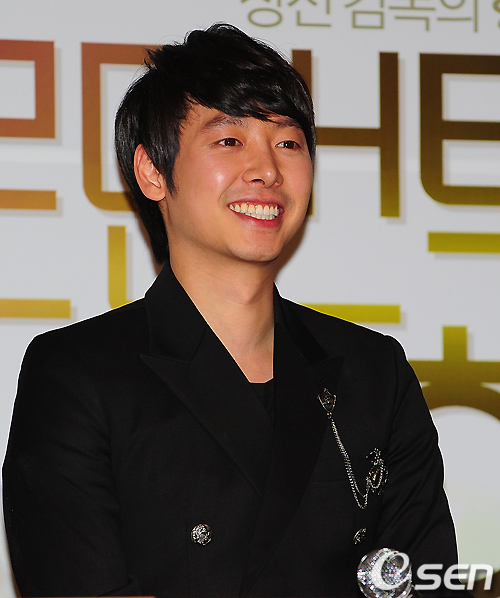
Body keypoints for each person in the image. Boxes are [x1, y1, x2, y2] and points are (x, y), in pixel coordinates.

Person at [3, 23, 458, 598]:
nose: (267, 170)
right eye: (229, 140)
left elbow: (430, 579)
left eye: (288, 143)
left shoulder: (374, 371)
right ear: (152, 172)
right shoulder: (77, 373)